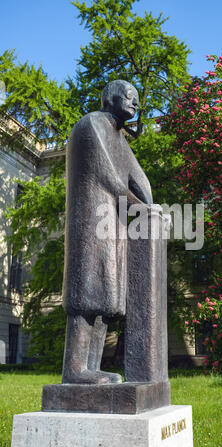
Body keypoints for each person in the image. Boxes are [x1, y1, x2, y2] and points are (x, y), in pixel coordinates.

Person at [61, 80, 153, 384]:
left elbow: (138, 180)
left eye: (138, 99)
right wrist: (140, 205)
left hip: (111, 226)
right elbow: (107, 178)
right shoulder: (91, 126)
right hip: (90, 225)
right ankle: (74, 369)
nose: (135, 103)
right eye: (129, 96)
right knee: (86, 295)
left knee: (104, 300)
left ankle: (91, 367)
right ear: (110, 97)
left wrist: (148, 203)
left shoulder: (119, 138)